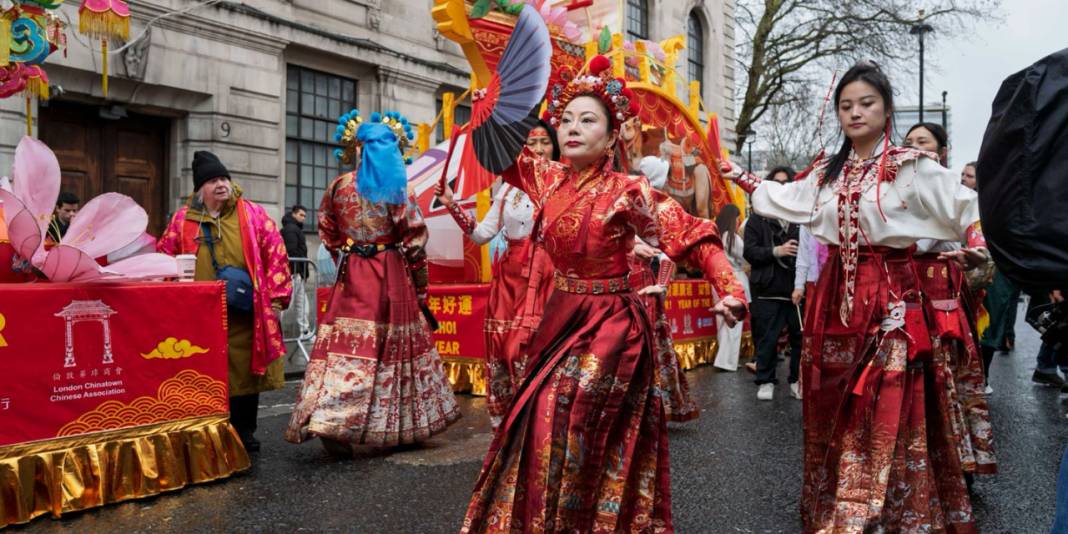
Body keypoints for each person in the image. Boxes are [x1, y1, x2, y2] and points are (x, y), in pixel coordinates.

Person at [461, 55, 746, 533]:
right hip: (561, 314)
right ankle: (546, 519)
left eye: (587, 120)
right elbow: (495, 151)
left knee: (576, 418)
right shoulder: (545, 178)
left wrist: (730, 288)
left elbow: (691, 233)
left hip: (612, 324)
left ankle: (598, 520)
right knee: (539, 415)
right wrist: (486, 112)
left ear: (613, 136)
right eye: (566, 119)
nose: (572, 128)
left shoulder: (628, 190)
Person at [724, 61, 989, 532]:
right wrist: (728, 168)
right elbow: (784, 196)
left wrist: (978, 247)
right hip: (834, 301)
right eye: (846, 105)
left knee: (888, 400)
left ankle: (888, 512)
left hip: (892, 298)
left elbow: (964, 206)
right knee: (835, 402)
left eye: (866, 103)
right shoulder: (829, 172)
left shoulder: (910, 167)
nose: (855, 113)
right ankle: (839, 504)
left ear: (886, 109)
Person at [286, 110, 460, 454]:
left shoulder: (338, 186)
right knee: (396, 349)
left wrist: (346, 257)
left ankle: (329, 419)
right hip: (391, 273)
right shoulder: (397, 188)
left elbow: (328, 231)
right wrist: (420, 284)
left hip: (352, 275)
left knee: (345, 346)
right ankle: (401, 424)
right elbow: (413, 239)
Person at [157, 150, 292, 452]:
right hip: (198, 315)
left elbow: (277, 255)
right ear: (200, 188)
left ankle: (245, 432)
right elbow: (163, 257)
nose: (221, 185)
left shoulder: (252, 214)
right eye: (213, 180)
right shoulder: (182, 221)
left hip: (245, 312)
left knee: (245, 369)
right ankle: (210, 429)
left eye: (224, 178)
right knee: (204, 367)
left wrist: (276, 300)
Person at [436, 120, 558, 429]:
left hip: (548, 274)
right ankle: (512, 418)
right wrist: (451, 204)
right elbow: (481, 235)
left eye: (545, 142)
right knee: (505, 348)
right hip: (510, 277)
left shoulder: (563, 182)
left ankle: (543, 417)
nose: (540, 149)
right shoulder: (506, 189)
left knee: (536, 346)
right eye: (532, 143)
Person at [904, 121, 997, 477]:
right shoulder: (891, 191)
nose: (914, 147)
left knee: (944, 379)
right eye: (908, 141)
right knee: (902, 381)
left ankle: (955, 464)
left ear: (941, 152)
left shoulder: (959, 195)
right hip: (898, 295)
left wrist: (974, 255)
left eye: (923, 141)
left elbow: (978, 241)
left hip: (940, 297)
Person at [744, 166, 802, 401]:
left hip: (797, 288)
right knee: (767, 339)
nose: (781, 187)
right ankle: (765, 380)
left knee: (800, 339)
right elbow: (749, 251)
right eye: (776, 182)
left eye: (786, 182)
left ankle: (796, 380)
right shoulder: (757, 218)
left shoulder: (801, 215)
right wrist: (776, 250)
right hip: (767, 288)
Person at [713, 203, 749, 371]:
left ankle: (724, 358)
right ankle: (726, 362)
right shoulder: (732, 237)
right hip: (733, 279)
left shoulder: (717, 235)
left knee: (722, 322)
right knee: (734, 323)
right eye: (737, 218)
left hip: (718, 280)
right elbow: (745, 256)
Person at [281, 204, 309, 278]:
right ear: (294, 214)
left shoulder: (295, 228)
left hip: (296, 272)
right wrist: (298, 272)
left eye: (304, 216)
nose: (303, 218)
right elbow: (291, 251)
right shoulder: (291, 229)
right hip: (294, 273)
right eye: (301, 215)